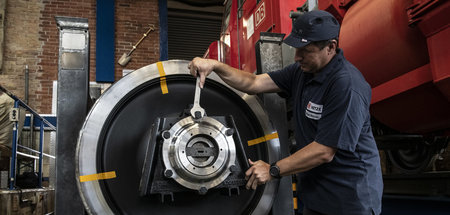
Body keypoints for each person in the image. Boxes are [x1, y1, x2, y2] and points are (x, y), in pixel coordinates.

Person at [189, 10, 383, 215]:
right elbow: (254, 83)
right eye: (296, 48)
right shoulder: (302, 72)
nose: (297, 57)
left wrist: (272, 170)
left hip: (349, 199)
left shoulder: (346, 85)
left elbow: (324, 151)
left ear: (330, 47)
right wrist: (216, 66)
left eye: (305, 50)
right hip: (316, 194)